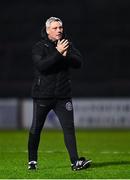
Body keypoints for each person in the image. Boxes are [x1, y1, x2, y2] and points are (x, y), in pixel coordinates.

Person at [28, 17, 91, 171]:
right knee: (36, 128)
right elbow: (42, 66)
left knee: (69, 129)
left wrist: (66, 55)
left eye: (60, 27)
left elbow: (79, 63)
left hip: (63, 96)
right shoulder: (39, 46)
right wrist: (57, 53)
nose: (59, 30)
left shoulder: (67, 44)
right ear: (48, 30)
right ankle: (32, 161)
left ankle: (75, 162)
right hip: (42, 96)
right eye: (55, 28)